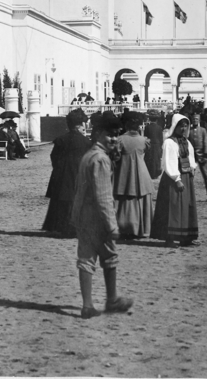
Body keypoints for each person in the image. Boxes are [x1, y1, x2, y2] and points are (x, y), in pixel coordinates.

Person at [73, 111, 135, 319]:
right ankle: (111, 299)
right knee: (109, 257)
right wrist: (112, 225)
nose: (114, 139)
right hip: (98, 219)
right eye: (110, 134)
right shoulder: (101, 159)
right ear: (98, 133)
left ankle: (87, 305)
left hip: (84, 216)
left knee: (86, 259)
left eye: (117, 134)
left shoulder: (88, 155)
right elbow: (103, 196)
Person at [151, 113, 199, 247]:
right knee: (172, 207)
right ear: (175, 126)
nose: (183, 128)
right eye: (180, 126)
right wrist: (176, 178)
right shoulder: (169, 142)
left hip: (186, 176)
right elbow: (168, 162)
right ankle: (170, 238)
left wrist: (192, 169)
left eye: (185, 125)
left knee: (187, 205)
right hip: (173, 178)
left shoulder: (187, 142)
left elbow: (191, 159)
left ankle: (186, 237)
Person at [43, 109, 92, 236]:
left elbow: (54, 156)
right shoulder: (86, 142)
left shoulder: (61, 140)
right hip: (79, 174)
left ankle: (60, 226)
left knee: (61, 200)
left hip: (62, 174)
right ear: (80, 125)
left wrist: (59, 169)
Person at [113, 111, 155, 237]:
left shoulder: (120, 140)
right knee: (141, 198)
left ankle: (125, 227)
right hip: (142, 173)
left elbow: (115, 157)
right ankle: (143, 229)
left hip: (124, 173)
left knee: (124, 199)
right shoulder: (144, 140)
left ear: (125, 125)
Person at [187, 110, 207, 202]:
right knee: (190, 175)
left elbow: (206, 142)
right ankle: (188, 195)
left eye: (197, 119)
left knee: (206, 175)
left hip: (201, 155)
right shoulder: (188, 130)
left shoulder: (203, 130)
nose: (195, 120)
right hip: (191, 156)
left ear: (199, 120)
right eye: (193, 119)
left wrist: (206, 154)